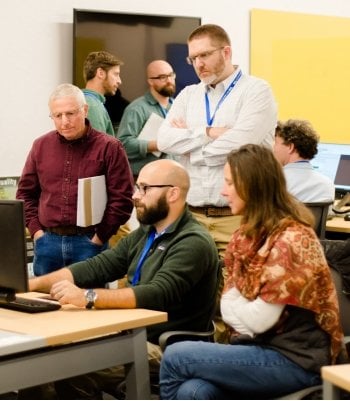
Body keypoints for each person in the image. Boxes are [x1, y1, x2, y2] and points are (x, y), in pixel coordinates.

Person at [159, 144, 345, 400]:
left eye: (229, 183)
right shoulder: (246, 237)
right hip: (254, 349)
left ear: (253, 186)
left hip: (297, 361)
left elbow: (257, 321)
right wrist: (240, 309)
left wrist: (238, 307)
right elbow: (230, 309)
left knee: (175, 355)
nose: (223, 192)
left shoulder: (291, 239)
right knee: (194, 391)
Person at [28, 158, 220, 399]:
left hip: (164, 346)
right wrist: (28, 286)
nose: (135, 196)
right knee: (44, 352)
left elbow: (156, 294)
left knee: (58, 364)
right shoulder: (147, 233)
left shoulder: (193, 241)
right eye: (137, 187)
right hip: (129, 332)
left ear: (173, 194)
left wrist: (88, 296)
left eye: (145, 188)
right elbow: (98, 267)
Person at [157, 24, 277, 258]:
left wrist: (192, 151)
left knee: (234, 292)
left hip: (239, 218)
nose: (198, 64)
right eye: (193, 58)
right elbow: (163, 140)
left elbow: (242, 144)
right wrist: (208, 132)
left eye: (204, 55)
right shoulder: (188, 95)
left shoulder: (256, 91)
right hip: (192, 217)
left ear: (226, 52)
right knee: (192, 291)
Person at [16, 83, 134, 277]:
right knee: (43, 303)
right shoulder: (40, 146)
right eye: (57, 115)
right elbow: (25, 194)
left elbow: (122, 199)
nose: (64, 122)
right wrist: (37, 233)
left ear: (85, 110)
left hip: (89, 242)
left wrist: (99, 238)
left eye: (70, 113)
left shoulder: (110, 147)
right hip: (47, 243)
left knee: (88, 304)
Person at [117, 60, 176, 180]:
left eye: (171, 75)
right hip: (145, 181)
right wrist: (156, 145)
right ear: (150, 81)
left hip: (171, 177)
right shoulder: (137, 108)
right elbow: (123, 144)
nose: (169, 80)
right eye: (163, 77)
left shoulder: (177, 106)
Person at [274, 119, 335, 202]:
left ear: (290, 147)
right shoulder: (328, 185)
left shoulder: (275, 182)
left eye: (275, 143)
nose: (272, 148)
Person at [82, 50, 123, 137]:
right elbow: (98, 149)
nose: (119, 81)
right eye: (116, 74)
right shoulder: (93, 106)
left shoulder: (87, 101)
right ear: (100, 73)